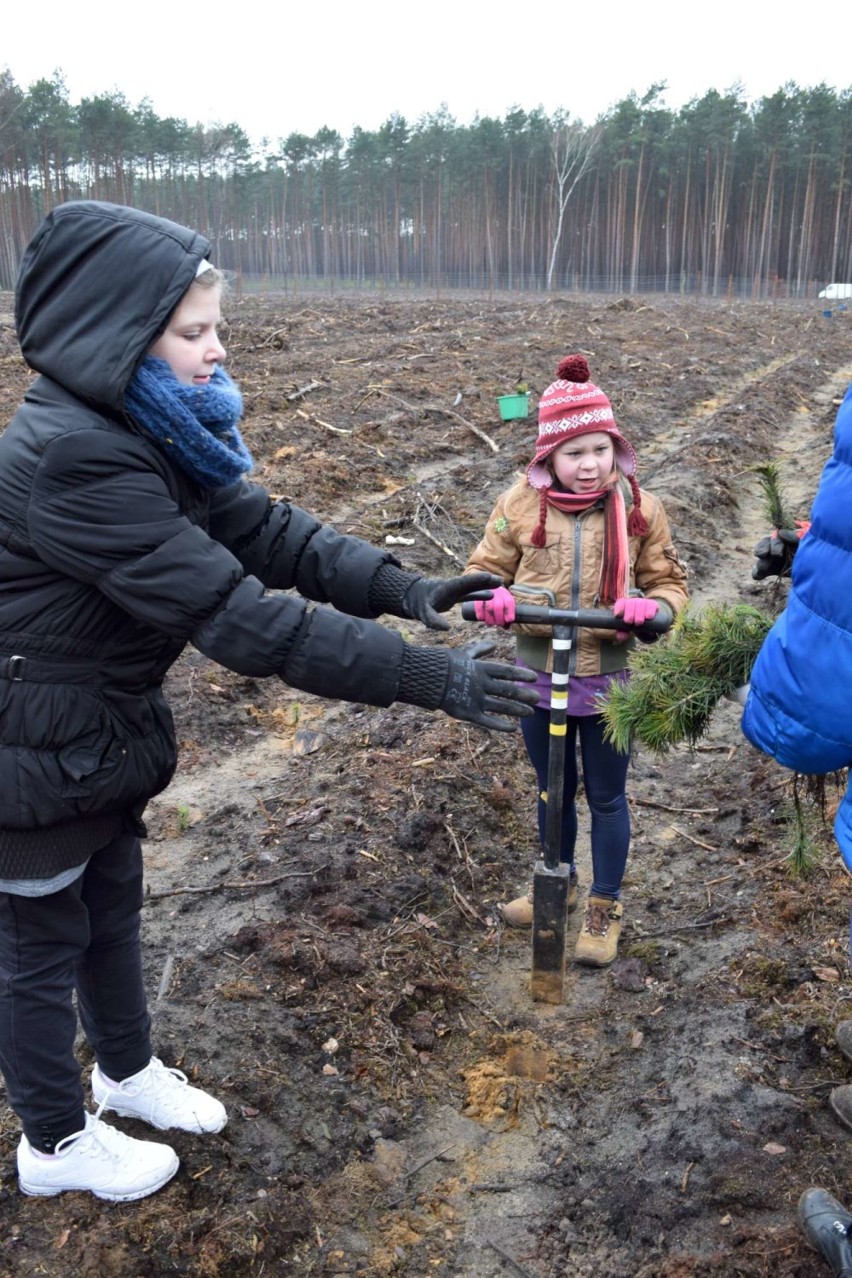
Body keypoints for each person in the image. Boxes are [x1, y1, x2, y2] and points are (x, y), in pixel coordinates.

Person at [0, 200, 538, 1202]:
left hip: (91, 729)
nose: (217, 350)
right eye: (194, 332)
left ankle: (125, 1073)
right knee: (37, 949)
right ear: (121, 337)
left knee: (110, 908)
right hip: (25, 745)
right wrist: (431, 677)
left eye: (215, 326)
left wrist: (401, 587)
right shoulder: (79, 457)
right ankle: (55, 1145)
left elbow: (271, 534)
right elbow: (245, 619)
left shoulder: (148, 426)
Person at [465, 354, 688, 966]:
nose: (590, 465)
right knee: (551, 787)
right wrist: (493, 599)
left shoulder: (640, 508)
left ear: (616, 448)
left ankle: (605, 902)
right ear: (547, 459)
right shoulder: (518, 505)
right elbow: (482, 572)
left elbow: (668, 581)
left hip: (609, 676)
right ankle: (553, 883)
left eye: (600, 450)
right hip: (539, 676)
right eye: (574, 453)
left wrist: (654, 610)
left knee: (608, 796)